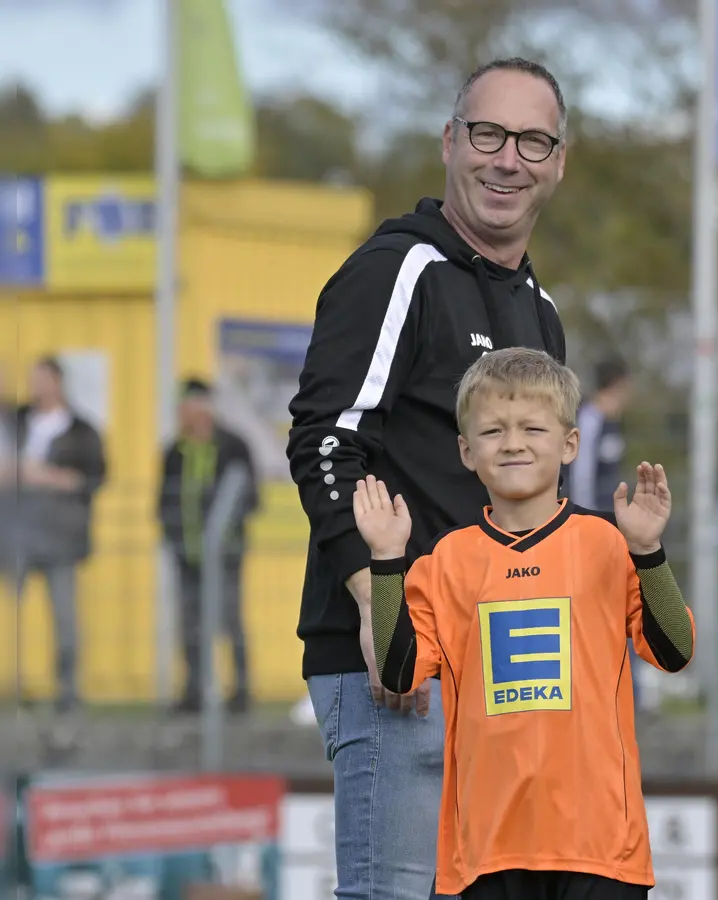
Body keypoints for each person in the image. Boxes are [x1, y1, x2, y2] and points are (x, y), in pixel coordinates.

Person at [285, 57, 570, 899]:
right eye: (487, 133)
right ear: (450, 142)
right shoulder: (398, 270)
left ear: (558, 162)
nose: (506, 159)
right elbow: (324, 442)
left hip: (505, 670)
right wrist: (383, 612)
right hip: (395, 669)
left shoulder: (540, 311)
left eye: (531, 140)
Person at [355, 348, 694, 898]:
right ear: (467, 451)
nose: (513, 442)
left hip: (601, 849)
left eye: (533, 427)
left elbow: (675, 650)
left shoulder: (608, 543)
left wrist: (648, 550)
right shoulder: (446, 560)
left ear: (569, 444)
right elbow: (397, 674)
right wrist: (389, 560)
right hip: (486, 853)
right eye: (492, 431)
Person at [158, 378, 260, 713]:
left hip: (226, 554)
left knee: (230, 620)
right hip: (185, 554)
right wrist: (174, 538)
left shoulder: (233, 447)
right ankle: (194, 691)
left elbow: (251, 497)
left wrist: (224, 533)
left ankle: (241, 691)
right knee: (190, 625)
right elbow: (164, 501)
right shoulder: (174, 451)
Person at [12, 356, 106, 712]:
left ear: (58, 382)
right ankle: (18, 691)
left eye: (42, 378)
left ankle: (67, 692)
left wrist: (46, 476)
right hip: (15, 536)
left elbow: (94, 477)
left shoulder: (81, 430)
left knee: (65, 618)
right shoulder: (16, 422)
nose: (35, 386)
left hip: (60, 538)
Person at [570, 357, 631, 508]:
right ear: (617, 385)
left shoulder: (612, 421)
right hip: (591, 513)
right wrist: (585, 513)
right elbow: (581, 473)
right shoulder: (589, 420)